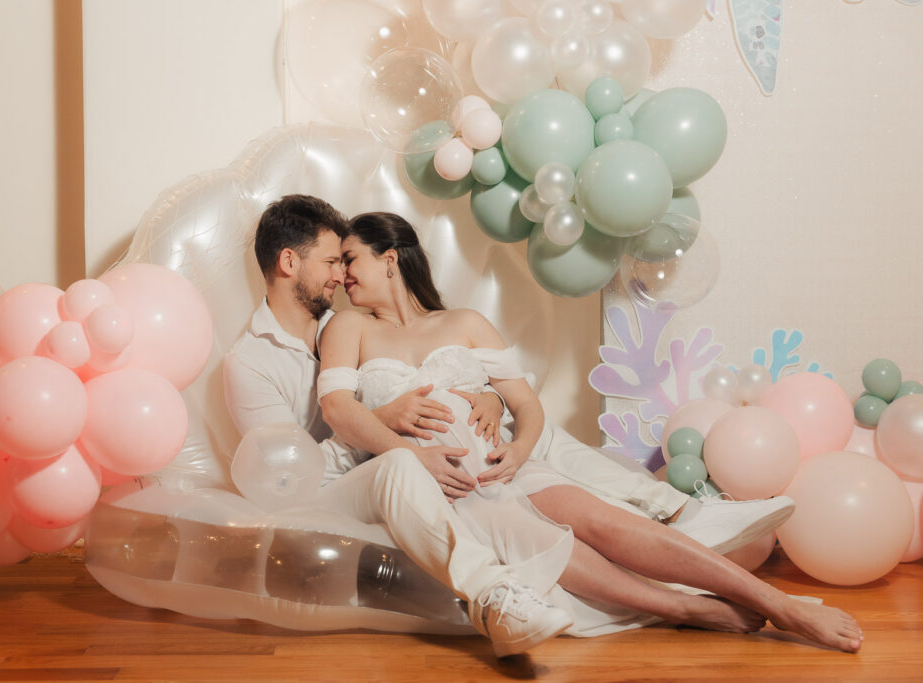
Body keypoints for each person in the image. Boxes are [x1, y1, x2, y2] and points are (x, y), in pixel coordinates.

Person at [316, 211, 863, 653]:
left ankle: (777, 602)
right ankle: (687, 608)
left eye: (350, 259)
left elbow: (527, 409)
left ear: (390, 258)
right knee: (534, 534)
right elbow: (339, 409)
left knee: (603, 520)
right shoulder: (349, 328)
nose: (342, 274)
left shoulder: (464, 324)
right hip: (447, 489)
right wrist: (413, 458)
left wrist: (516, 452)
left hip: (503, 465)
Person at [224, 195, 574, 657]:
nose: (340, 276)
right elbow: (285, 482)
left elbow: (428, 377)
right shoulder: (249, 363)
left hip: (389, 471)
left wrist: (489, 396)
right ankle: (493, 599)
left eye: (344, 262)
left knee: (422, 469)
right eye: (331, 262)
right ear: (288, 261)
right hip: (321, 497)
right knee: (400, 467)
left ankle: (524, 590)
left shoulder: (347, 323)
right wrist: (372, 424)